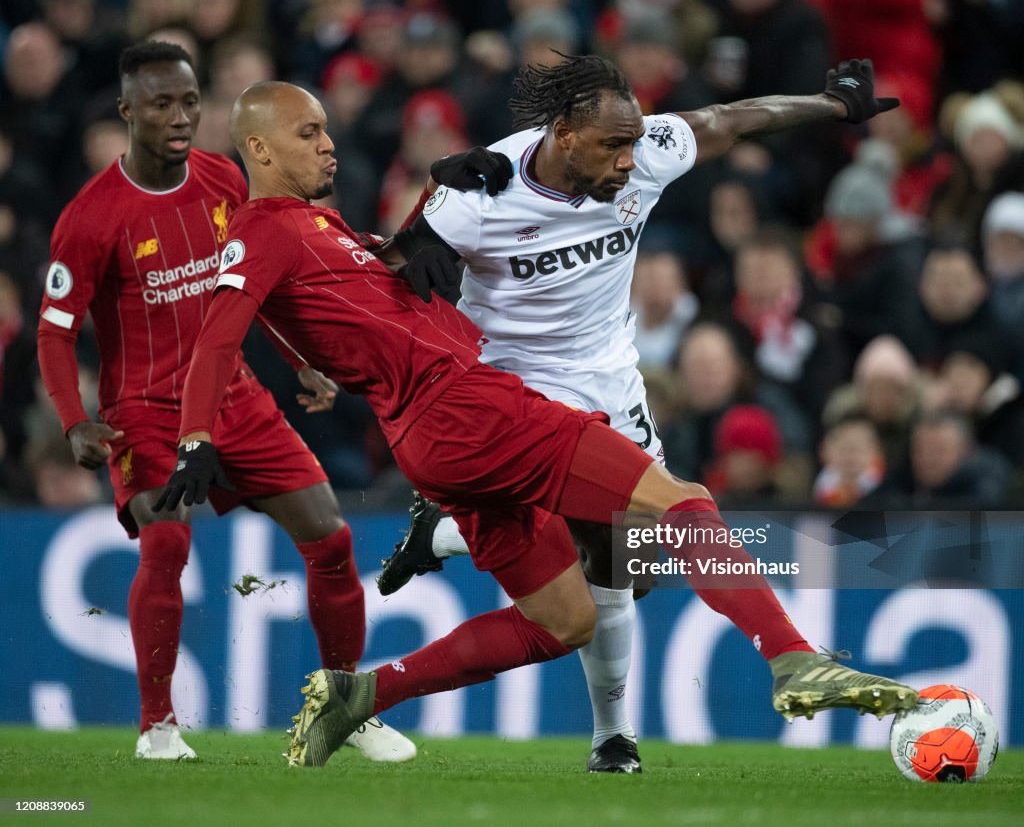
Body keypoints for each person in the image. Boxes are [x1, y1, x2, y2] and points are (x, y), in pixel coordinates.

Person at [155, 79, 918, 769]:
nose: (328, 145)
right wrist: (196, 439)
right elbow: (219, 333)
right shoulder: (262, 232)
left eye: (326, 130)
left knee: (565, 621)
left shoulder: (314, 227)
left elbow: (378, 288)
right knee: (684, 504)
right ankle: (792, 659)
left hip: (433, 442)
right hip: (477, 408)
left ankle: (363, 694)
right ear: (256, 147)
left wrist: (429, 198)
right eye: (308, 134)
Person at [379, 53, 885, 771]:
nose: (628, 160)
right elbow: (383, 276)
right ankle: (616, 737)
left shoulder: (645, 152)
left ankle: (448, 537)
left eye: (634, 142)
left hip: (612, 386)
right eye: (612, 146)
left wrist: (833, 104)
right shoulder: (478, 188)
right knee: (653, 530)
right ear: (562, 133)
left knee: (629, 567)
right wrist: (416, 239)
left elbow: (731, 120)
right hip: (513, 399)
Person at [35, 41, 415, 763]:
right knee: (169, 539)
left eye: (188, 101)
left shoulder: (221, 180)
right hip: (143, 411)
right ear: (127, 113)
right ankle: (157, 728)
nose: (179, 117)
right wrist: (73, 420)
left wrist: (303, 360)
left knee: (332, 539)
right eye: (160, 104)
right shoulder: (90, 217)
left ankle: (344, 709)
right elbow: (55, 333)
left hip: (237, 399)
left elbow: (257, 276)